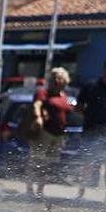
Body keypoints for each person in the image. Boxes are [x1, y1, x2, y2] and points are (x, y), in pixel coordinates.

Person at [29, 67, 74, 197]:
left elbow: (70, 111)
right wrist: (38, 117)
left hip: (59, 134)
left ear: (65, 81)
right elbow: (37, 105)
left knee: (48, 163)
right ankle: (30, 186)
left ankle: (40, 189)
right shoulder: (43, 93)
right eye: (54, 77)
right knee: (36, 160)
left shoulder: (64, 97)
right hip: (44, 132)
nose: (56, 80)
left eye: (59, 77)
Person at [77, 60, 106, 200]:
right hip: (91, 132)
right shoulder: (91, 86)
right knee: (87, 164)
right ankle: (80, 194)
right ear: (105, 69)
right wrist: (88, 116)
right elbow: (78, 106)